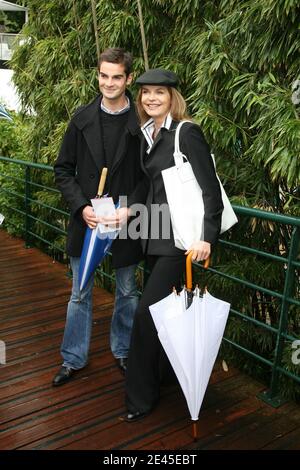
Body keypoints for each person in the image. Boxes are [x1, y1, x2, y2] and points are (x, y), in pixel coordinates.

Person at [102, 68, 224, 421]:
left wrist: (207, 237)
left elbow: (209, 188)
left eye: (159, 92)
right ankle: (164, 376)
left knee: (145, 314)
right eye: (146, 93)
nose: (151, 98)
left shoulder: (186, 133)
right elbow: (148, 185)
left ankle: (140, 398)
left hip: (181, 241)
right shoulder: (147, 133)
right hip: (153, 237)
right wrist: (128, 212)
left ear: (173, 97)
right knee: (165, 314)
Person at [52, 48, 143, 386]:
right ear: (98, 75)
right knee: (80, 292)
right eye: (104, 75)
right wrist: (81, 207)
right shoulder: (80, 119)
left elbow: (151, 175)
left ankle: (123, 351)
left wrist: (131, 207)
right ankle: (73, 358)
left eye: (117, 76)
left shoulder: (144, 121)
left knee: (128, 292)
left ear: (128, 78)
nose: (109, 82)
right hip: (88, 220)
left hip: (126, 220)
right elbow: (62, 169)